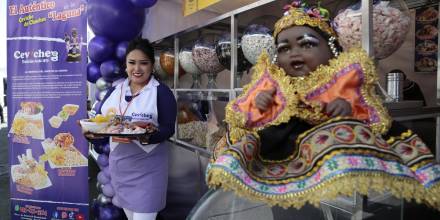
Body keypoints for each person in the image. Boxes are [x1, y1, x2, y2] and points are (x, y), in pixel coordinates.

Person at [205, 1, 440, 214]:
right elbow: (243, 117)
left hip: (333, 174)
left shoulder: (341, 79)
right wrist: (260, 104)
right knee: (287, 212)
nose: (294, 53)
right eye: (284, 48)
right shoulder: (272, 81)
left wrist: (345, 106)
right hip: (276, 153)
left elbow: (368, 113)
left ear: (332, 50)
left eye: (306, 44)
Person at [85, 38, 177, 220]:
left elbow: (168, 129)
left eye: (143, 63)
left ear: (152, 65)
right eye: (132, 63)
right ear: (125, 65)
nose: (137, 69)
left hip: (148, 172)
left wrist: (145, 135)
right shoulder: (114, 92)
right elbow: (102, 125)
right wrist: (91, 133)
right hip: (120, 170)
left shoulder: (161, 92)